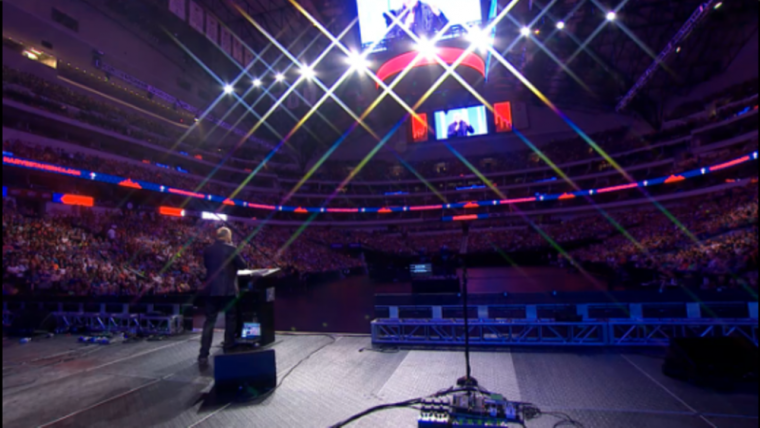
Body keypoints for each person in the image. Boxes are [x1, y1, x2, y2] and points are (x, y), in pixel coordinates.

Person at [198, 227, 248, 366]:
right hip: (228, 290)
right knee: (231, 318)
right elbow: (243, 265)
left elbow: (208, 266)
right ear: (227, 236)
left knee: (209, 322)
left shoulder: (208, 250)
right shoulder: (231, 249)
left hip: (211, 290)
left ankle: (203, 354)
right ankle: (228, 346)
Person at [385, 0, 449, 40]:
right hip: (405, 56)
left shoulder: (429, 9)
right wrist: (405, 27)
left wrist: (439, 14)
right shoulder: (395, 16)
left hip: (429, 55)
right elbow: (391, 41)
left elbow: (447, 32)